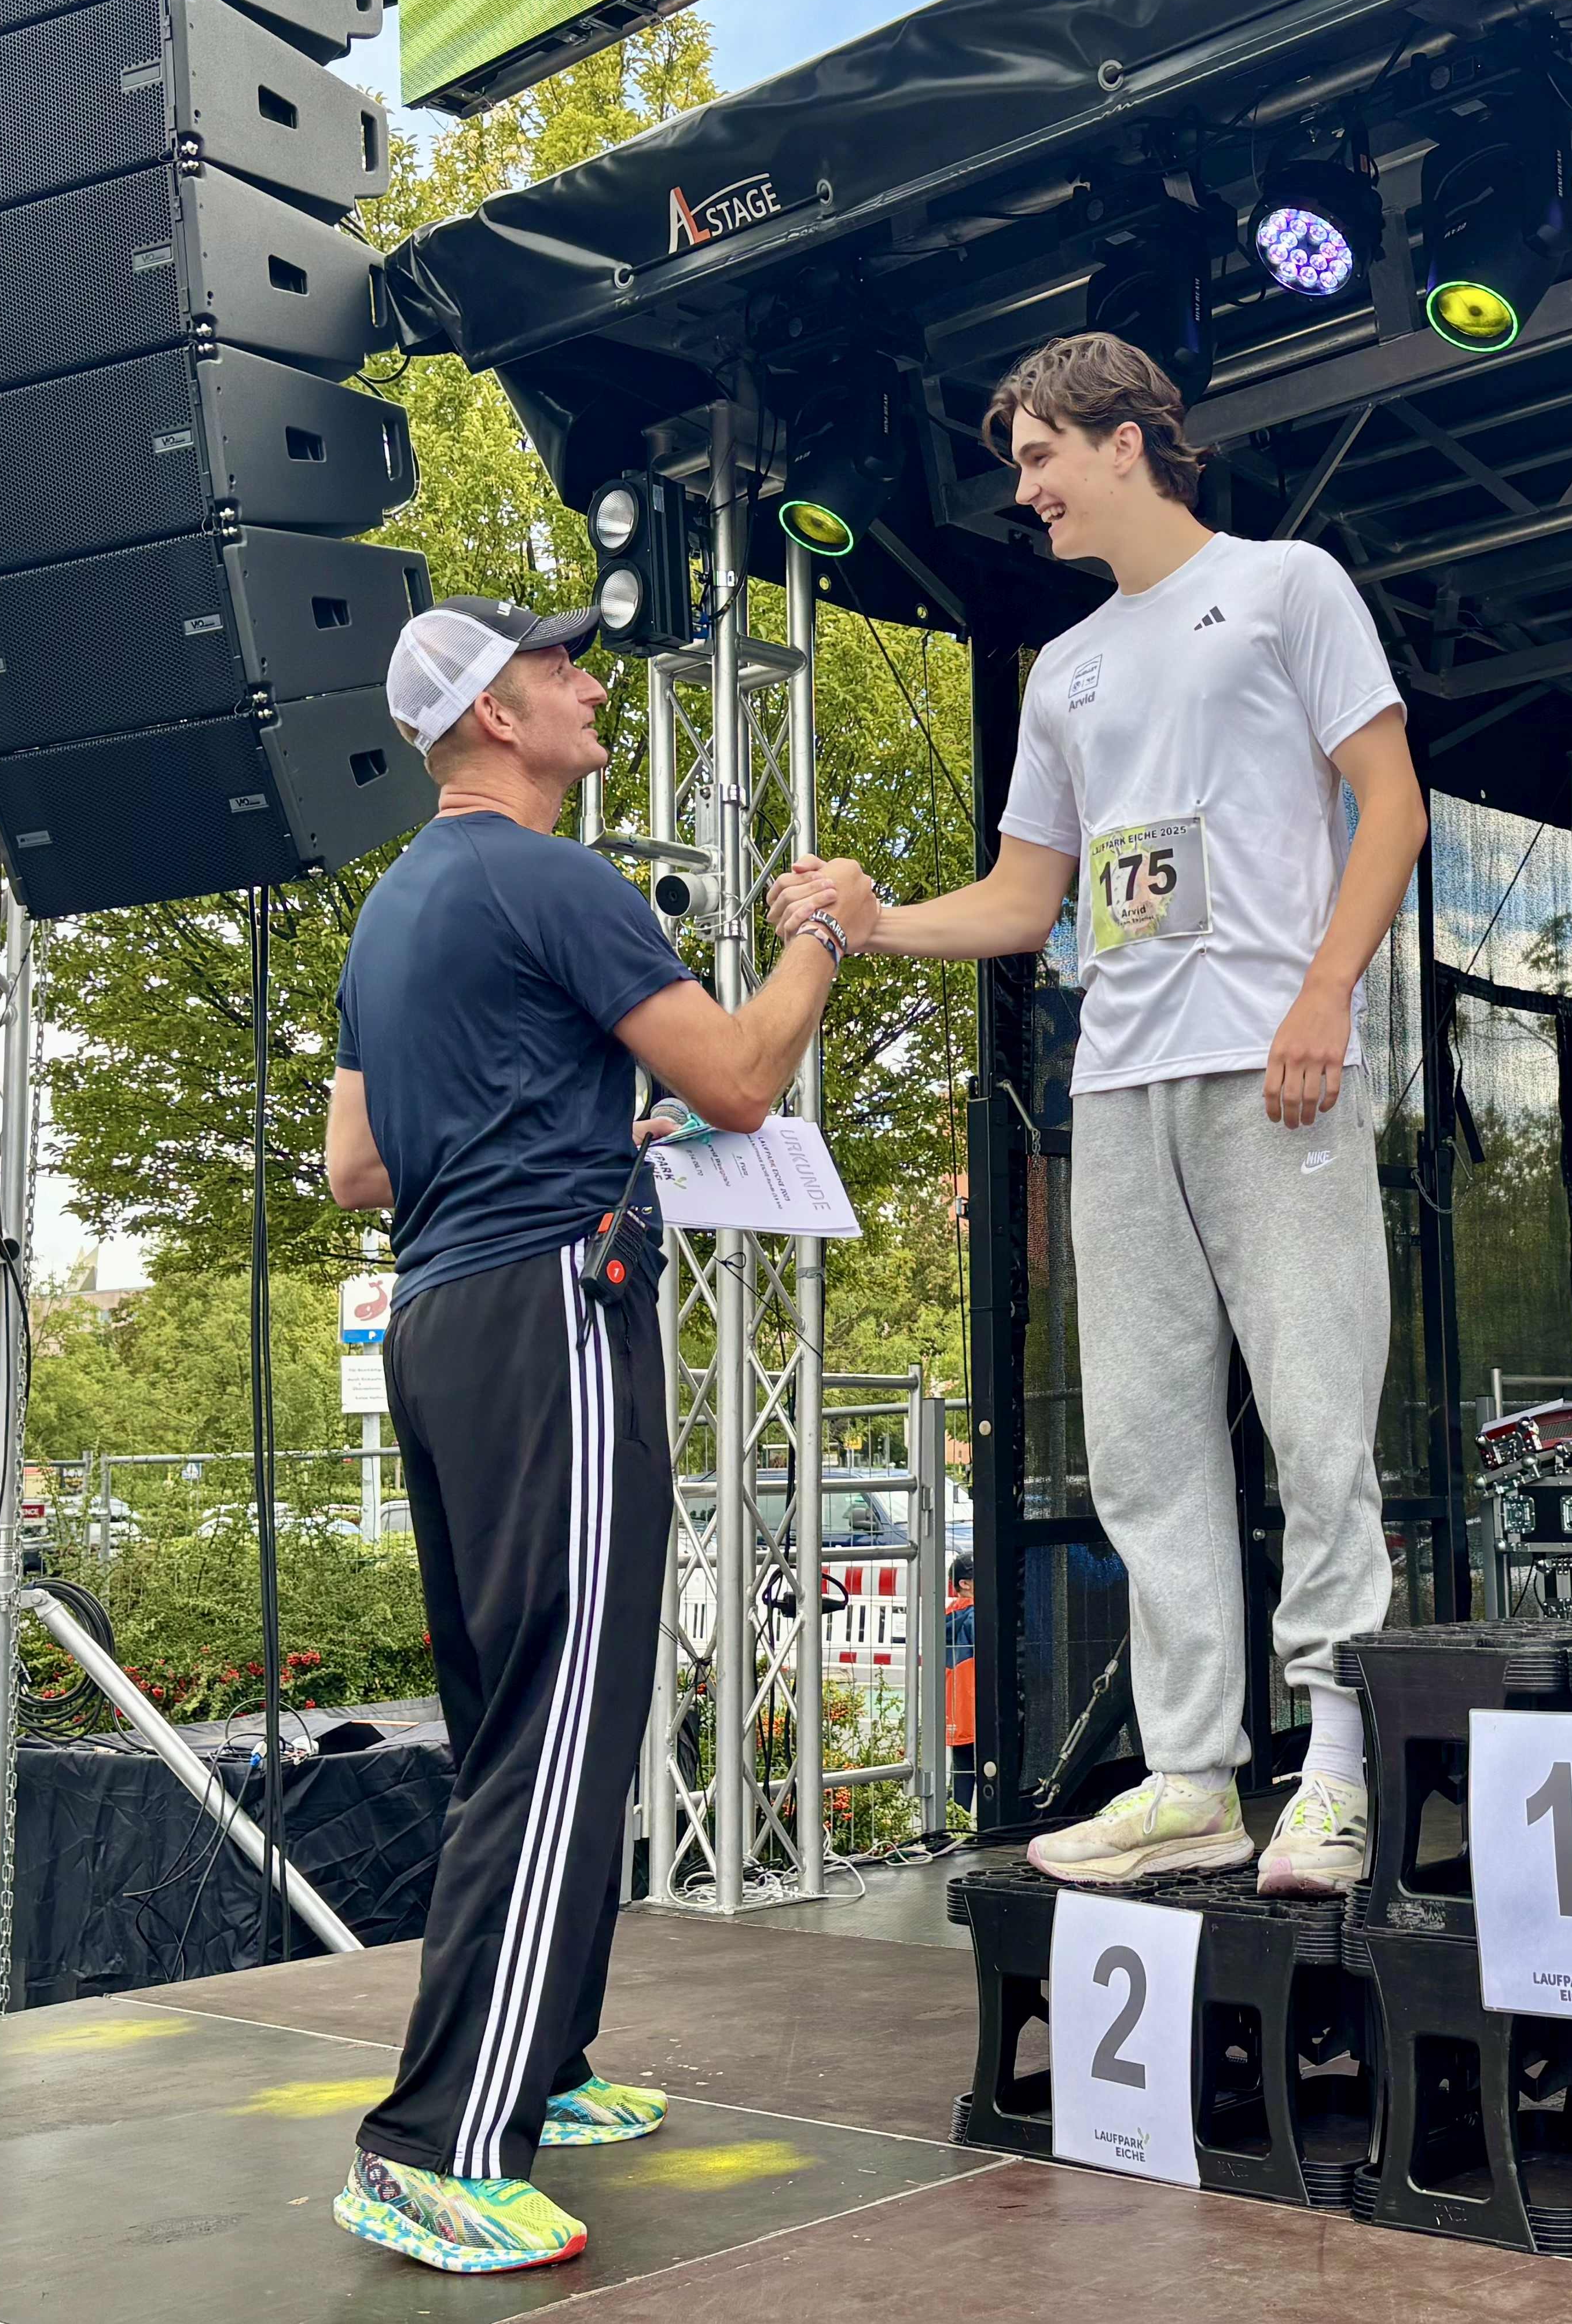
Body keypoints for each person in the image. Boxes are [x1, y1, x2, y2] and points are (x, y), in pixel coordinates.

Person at [778, 330, 1427, 1897]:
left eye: (1041, 457)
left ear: (1125, 440)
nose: (1027, 491)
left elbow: (1393, 804)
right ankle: (1193, 1777)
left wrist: (1325, 994)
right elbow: (1026, 900)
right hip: (1121, 1087)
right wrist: (873, 920)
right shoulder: (1064, 670)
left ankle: (1339, 1768)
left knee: (1317, 1419)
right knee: (1142, 1443)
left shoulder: (1285, 587)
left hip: (1275, 1062)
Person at [324, 595, 871, 2277]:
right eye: (554, 668)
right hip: (549, 1306)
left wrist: (567, 1108)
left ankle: (540, 2066)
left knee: (516, 1715)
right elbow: (741, 1080)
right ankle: (434, 2147)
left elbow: (356, 1170)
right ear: (493, 717)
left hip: (438, 1316)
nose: (585, 686)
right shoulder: (555, 878)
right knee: (564, 1716)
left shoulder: (392, 914)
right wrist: (825, 935)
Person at [943, 1558, 978, 1824]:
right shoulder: (977, 1616)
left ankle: (954, 1829)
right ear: (964, 1584)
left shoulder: (947, 1617)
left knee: (962, 1776)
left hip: (956, 1713)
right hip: (981, 1709)